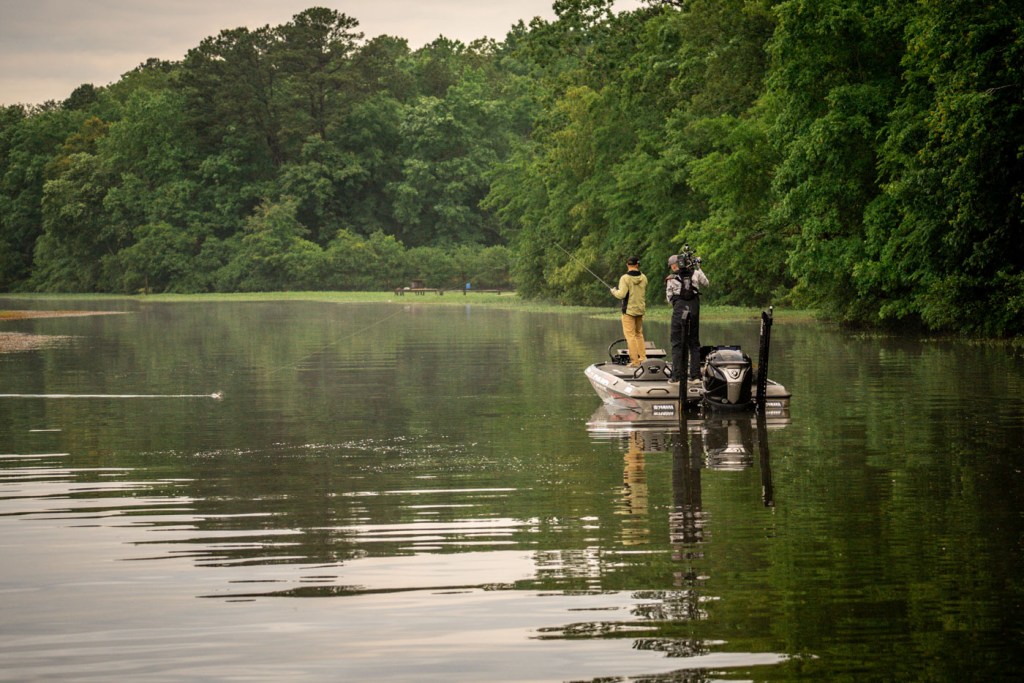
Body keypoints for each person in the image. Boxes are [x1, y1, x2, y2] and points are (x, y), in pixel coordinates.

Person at [665, 253, 709, 385]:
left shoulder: (671, 279)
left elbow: (669, 298)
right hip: (694, 310)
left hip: (679, 311)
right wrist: (698, 267)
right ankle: (695, 376)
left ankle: (676, 377)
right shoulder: (696, 273)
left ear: (675, 265)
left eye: (672, 265)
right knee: (694, 343)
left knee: (677, 343)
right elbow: (706, 283)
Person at [610, 256, 648, 367]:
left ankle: (635, 361)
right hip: (640, 310)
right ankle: (643, 358)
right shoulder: (644, 277)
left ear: (627, 265)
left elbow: (621, 295)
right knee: (639, 334)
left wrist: (614, 291)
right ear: (637, 265)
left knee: (630, 336)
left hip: (629, 311)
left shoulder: (625, 278)